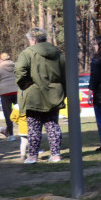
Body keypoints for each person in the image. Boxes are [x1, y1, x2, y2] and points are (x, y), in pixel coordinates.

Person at [14, 27, 65, 164]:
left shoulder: (27, 53)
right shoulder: (57, 53)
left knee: (33, 128)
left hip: (33, 95)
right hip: (54, 93)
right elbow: (64, 72)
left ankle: (32, 156)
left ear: (33, 40)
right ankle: (55, 155)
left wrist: (24, 84)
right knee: (53, 125)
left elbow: (19, 69)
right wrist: (63, 90)